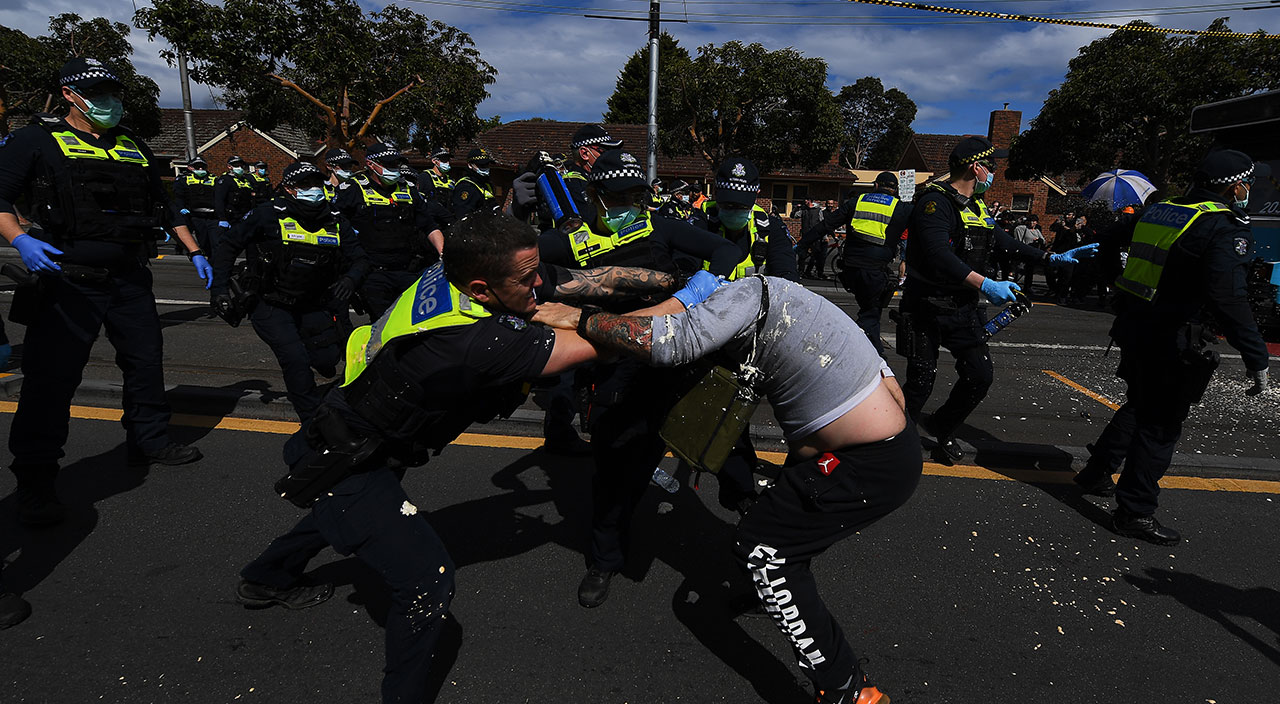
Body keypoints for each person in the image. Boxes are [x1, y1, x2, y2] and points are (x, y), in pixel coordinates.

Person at [238, 210, 697, 704]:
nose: (539, 283)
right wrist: (688, 304)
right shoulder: (476, 342)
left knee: (342, 509)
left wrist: (676, 280)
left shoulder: (459, 272)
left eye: (536, 270)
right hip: (349, 452)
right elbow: (606, 342)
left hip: (367, 434)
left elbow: (581, 281)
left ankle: (266, 579)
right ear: (482, 289)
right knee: (425, 582)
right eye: (527, 280)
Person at [535, 275, 920, 704]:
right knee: (786, 539)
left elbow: (667, 343)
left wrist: (581, 317)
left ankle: (848, 690)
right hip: (876, 448)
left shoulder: (735, 304)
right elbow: (885, 379)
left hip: (866, 463)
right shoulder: (783, 294)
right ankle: (772, 596)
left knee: (763, 553)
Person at [0, 57, 208, 527]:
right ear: (70, 94)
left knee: (144, 360)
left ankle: (149, 440)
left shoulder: (131, 143)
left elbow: (165, 203)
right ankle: (35, 478)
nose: (109, 102)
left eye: (114, 94)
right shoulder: (37, 139)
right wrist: (19, 239)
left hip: (130, 277)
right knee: (52, 379)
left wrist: (194, 250)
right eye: (98, 94)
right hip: (67, 277)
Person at [529, 148, 741, 608]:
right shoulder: (569, 241)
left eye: (636, 195)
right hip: (615, 370)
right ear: (594, 196)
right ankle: (605, 559)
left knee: (728, 452)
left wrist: (698, 286)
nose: (629, 205)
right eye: (618, 196)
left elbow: (727, 249)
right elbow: (516, 261)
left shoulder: (660, 228)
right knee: (614, 470)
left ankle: (758, 554)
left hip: (678, 355)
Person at [1072, 150, 1271, 545]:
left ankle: (1096, 472)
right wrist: (1256, 357)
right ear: (1237, 186)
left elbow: (1110, 240)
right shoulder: (1223, 227)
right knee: (1160, 425)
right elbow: (1228, 298)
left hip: (1135, 325)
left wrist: (1117, 281)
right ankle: (1135, 511)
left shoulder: (1161, 209)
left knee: (1139, 404)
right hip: (1174, 338)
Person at [900, 136, 1098, 465]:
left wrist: (1052, 259)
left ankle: (942, 426)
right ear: (975, 167)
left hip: (961, 307)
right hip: (926, 304)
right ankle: (896, 440)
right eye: (990, 167)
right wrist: (987, 284)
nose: (993, 174)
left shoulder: (977, 207)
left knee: (979, 375)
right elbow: (937, 254)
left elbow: (1005, 243)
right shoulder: (934, 203)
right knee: (921, 379)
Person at [211, 161, 368, 421]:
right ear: (290, 189)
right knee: (295, 359)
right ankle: (312, 419)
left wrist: (351, 279)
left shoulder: (336, 219)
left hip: (313, 303)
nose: (314, 190)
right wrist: (219, 289)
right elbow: (228, 246)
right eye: (306, 185)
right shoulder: (267, 214)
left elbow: (361, 258)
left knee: (328, 359)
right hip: (272, 303)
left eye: (317, 184)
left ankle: (316, 384)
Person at [800, 172, 911, 354]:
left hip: (851, 268)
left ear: (876, 185)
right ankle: (867, 356)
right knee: (871, 313)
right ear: (895, 189)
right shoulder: (901, 208)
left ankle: (870, 353)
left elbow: (825, 225)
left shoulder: (857, 202)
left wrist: (801, 246)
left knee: (868, 310)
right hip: (875, 270)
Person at [334, 142, 444, 319]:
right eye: (389, 164)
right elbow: (338, 228)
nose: (394, 168)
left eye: (396, 164)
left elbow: (429, 225)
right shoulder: (353, 189)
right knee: (384, 323)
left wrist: (442, 252)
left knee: (415, 320)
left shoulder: (407, 189)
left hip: (408, 270)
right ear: (371, 164)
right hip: (373, 272)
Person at [695, 157, 799, 282]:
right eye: (727, 205)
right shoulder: (699, 221)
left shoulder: (770, 228)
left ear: (756, 196)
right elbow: (684, 263)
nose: (734, 210)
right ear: (715, 193)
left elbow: (787, 273)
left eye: (742, 206)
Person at [171, 156, 218, 256]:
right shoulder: (185, 180)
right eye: (197, 167)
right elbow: (179, 196)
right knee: (202, 239)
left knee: (216, 242)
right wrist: (181, 208)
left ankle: (214, 261)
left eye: (202, 167)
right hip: (194, 215)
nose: (200, 169)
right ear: (190, 167)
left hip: (212, 216)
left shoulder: (213, 179)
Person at [214, 155, 256, 243]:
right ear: (229, 166)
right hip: (231, 217)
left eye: (241, 166)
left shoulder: (246, 181)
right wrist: (222, 218)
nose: (240, 168)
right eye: (236, 166)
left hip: (245, 216)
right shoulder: (225, 180)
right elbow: (219, 200)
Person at [450, 148, 498, 219]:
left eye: (487, 165)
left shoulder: (485, 184)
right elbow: (463, 216)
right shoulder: (466, 187)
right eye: (481, 165)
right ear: (470, 165)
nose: (485, 168)